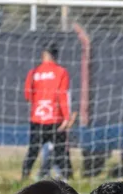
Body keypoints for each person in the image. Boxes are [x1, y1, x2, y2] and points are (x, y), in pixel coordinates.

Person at [21, 44, 73, 180]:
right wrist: (66, 117)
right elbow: (62, 95)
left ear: (44, 55)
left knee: (33, 150)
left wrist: (39, 102)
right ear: (56, 56)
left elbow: (27, 95)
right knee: (61, 150)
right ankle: (69, 177)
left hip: (38, 119)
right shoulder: (61, 72)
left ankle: (24, 176)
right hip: (55, 119)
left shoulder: (33, 72)